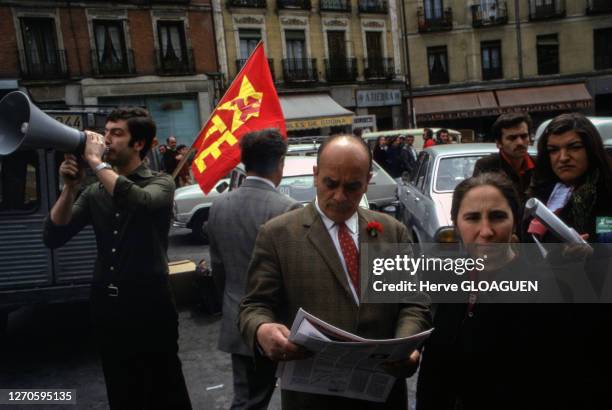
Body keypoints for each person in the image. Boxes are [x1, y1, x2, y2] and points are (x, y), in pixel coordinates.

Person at [239, 135, 432, 410]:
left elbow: (412, 302)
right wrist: (262, 329)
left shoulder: (391, 231)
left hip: (383, 395)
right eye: (331, 184)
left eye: (353, 187)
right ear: (316, 175)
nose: (340, 197)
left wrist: (405, 346)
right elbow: (254, 306)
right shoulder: (277, 235)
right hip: (313, 401)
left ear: (367, 181)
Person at [43, 108, 191, 409]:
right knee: (120, 384)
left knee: (164, 383)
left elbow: (140, 202)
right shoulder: (94, 191)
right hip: (107, 304)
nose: (106, 139)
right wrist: (70, 189)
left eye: (116, 133)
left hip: (151, 303)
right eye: (105, 132)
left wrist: (96, 162)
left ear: (140, 144)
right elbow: (54, 236)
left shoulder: (161, 182)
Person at [416, 172, 535, 410]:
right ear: (456, 225)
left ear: (515, 220)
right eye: (472, 218)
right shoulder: (448, 277)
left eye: (498, 217)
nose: (486, 231)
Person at [522, 112, 612, 409]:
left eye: (573, 147)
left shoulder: (606, 193)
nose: (563, 157)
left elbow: (606, 237)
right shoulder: (545, 191)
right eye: (554, 149)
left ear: (590, 149)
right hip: (548, 319)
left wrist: (594, 252)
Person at [207, 129, 301, 410]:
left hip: (236, 317)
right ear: (280, 163)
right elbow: (292, 276)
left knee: (247, 399)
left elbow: (218, 268)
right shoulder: (287, 208)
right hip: (278, 324)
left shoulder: (218, 204)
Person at [473, 113, 535, 204]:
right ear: (499, 143)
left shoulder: (540, 164)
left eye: (524, 136)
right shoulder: (486, 166)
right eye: (512, 138)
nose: (520, 142)